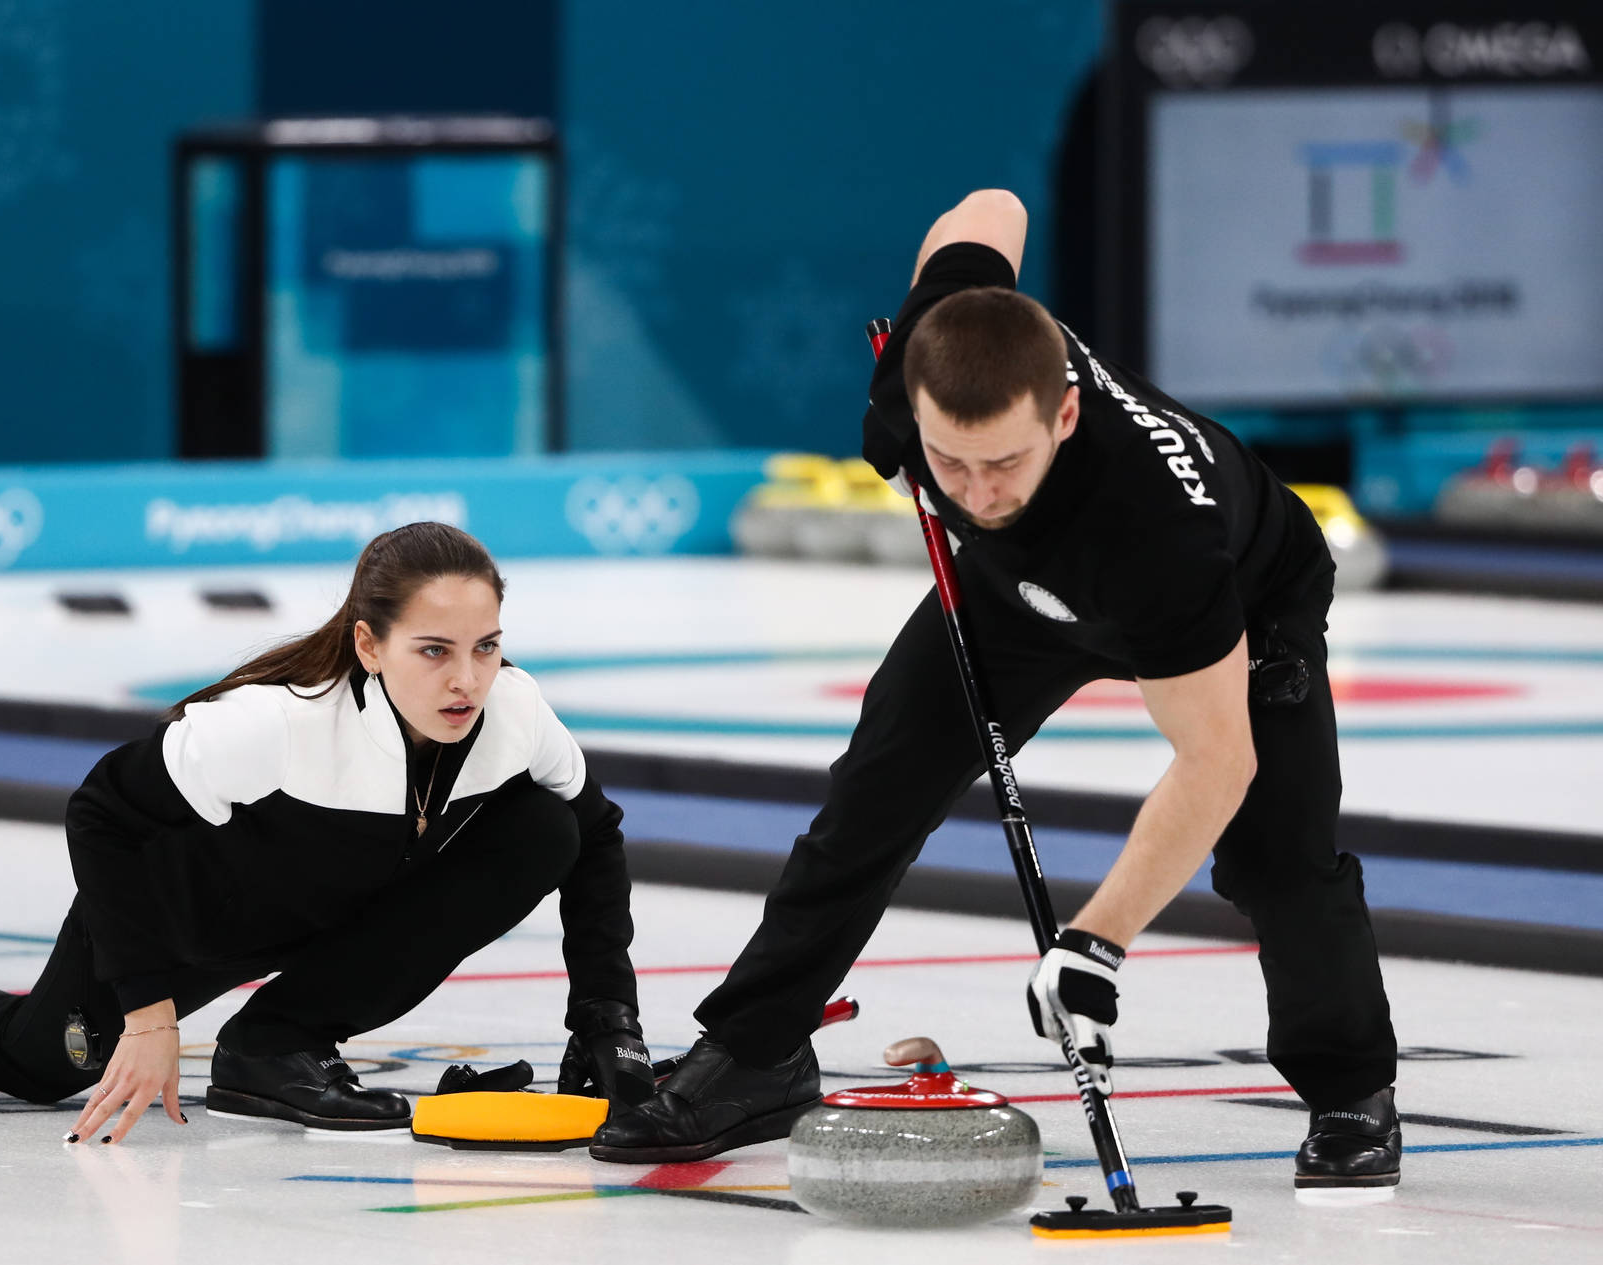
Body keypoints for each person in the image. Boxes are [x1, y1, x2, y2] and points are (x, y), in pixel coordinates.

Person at [592, 190, 1400, 1190]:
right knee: (874, 793)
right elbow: (991, 207)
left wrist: (1093, 944)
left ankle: (1350, 1090)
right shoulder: (934, 352)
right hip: (1011, 592)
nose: (975, 491)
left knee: (1277, 856)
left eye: (1005, 462)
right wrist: (949, 464)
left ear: (1063, 409)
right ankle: (758, 1053)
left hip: (1243, 595)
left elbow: (1216, 757)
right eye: (948, 461)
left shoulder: (1156, 531)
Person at [0, 522, 653, 1143]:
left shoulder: (514, 714)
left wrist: (607, 1020)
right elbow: (101, 813)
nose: (467, 679)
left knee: (545, 827)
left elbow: (596, 835)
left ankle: (277, 1044)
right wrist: (148, 1015)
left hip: (335, 913)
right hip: (177, 918)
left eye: (487, 647)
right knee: (45, 1060)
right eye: (434, 650)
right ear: (369, 643)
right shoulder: (272, 724)